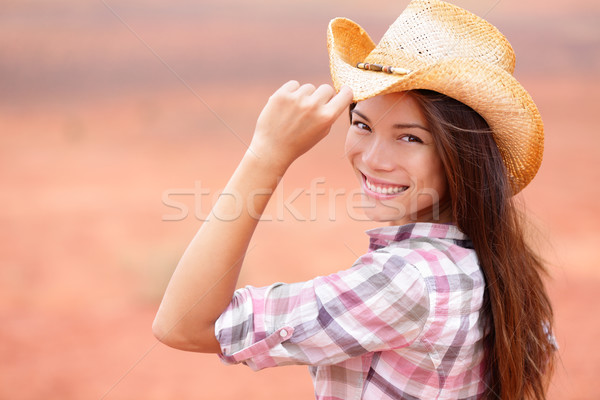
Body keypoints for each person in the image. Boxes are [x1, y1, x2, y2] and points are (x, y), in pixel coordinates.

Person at [153, 0, 556, 398]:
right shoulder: (491, 259)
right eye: (362, 125)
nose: (373, 159)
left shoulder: (405, 282)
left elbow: (184, 325)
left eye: (410, 137)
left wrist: (267, 154)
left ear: (463, 153)